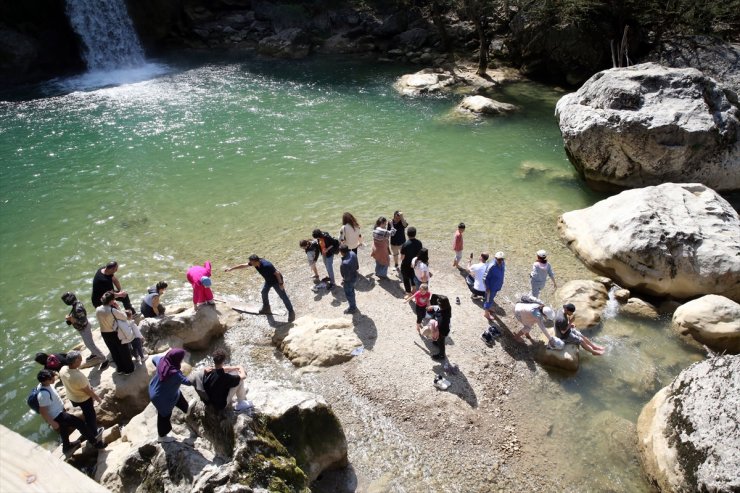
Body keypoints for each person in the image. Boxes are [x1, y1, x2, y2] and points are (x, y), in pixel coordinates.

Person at [36, 369, 105, 457]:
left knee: (63, 429)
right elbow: (42, 411)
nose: (54, 379)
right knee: (80, 423)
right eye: (51, 378)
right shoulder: (43, 395)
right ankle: (95, 442)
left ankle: (66, 446)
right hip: (57, 415)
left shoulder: (46, 385)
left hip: (59, 412)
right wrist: (52, 423)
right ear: (45, 380)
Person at [224, 255, 295, 322]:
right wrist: (231, 269)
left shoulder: (267, 265)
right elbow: (243, 265)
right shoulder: (255, 263)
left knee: (283, 296)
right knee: (264, 292)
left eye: (252, 262)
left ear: (256, 261)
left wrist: (281, 284)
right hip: (268, 281)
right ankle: (266, 307)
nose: (250, 264)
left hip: (276, 281)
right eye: (250, 262)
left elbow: (277, 273)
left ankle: (291, 312)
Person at [58, 351, 104, 443]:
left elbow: (68, 378)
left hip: (72, 396)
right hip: (83, 399)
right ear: (74, 362)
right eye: (80, 359)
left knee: (86, 412)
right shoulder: (77, 377)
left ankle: (88, 427)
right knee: (90, 415)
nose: (82, 360)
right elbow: (88, 391)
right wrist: (97, 398)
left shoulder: (63, 369)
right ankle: (94, 432)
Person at [149, 348, 193, 443]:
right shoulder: (175, 373)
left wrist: (163, 359)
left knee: (177, 393)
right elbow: (188, 382)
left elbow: (153, 359)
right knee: (164, 416)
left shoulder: (162, 361)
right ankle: (162, 436)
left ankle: (186, 408)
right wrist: (201, 373)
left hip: (154, 389)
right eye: (181, 358)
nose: (182, 360)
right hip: (161, 398)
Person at [61, 292, 107, 368]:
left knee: (90, 345)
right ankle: (94, 354)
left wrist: (72, 319)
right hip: (83, 328)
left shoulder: (78, 308)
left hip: (84, 329)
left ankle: (104, 359)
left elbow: (83, 322)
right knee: (88, 344)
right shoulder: (76, 304)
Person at [95, 291, 135, 375]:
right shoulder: (112, 310)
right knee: (123, 351)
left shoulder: (98, 309)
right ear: (111, 301)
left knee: (114, 351)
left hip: (104, 333)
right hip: (114, 333)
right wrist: (118, 307)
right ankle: (129, 369)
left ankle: (120, 369)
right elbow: (124, 317)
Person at [428, 295, 452, 360]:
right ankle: (436, 342)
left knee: (441, 343)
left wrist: (435, 332)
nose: (437, 302)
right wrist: (432, 306)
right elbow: (438, 306)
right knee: (438, 340)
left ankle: (441, 355)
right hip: (441, 329)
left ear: (442, 304)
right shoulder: (447, 307)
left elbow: (442, 329)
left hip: (442, 332)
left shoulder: (443, 317)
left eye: (438, 302)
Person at [483, 252, 506, 322]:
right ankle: (486, 313)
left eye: (502, 259)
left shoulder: (503, 263)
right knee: (488, 300)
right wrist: (487, 287)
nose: (501, 261)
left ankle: (489, 307)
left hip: (497, 286)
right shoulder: (492, 266)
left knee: (491, 298)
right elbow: (485, 278)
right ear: (495, 258)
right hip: (491, 287)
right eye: (499, 259)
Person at [399, 226, 422, 294]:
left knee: (406, 279)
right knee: (413, 277)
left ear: (407, 234)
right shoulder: (419, 243)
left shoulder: (405, 244)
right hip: (415, 264)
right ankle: (414, 288)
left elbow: (402, 257)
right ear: (415, 234)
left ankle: (408, 293)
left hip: (406, 264)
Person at [339, 244, 359, 314]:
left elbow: (346, 277)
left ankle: (352, 308)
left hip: (349, 280)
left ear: (341, 252)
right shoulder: (353, 253)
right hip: (355, 276)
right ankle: (353, 304)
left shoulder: (345, 263)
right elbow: (357, 266)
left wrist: (344, 281)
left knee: (349, 294)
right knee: (352, 291)